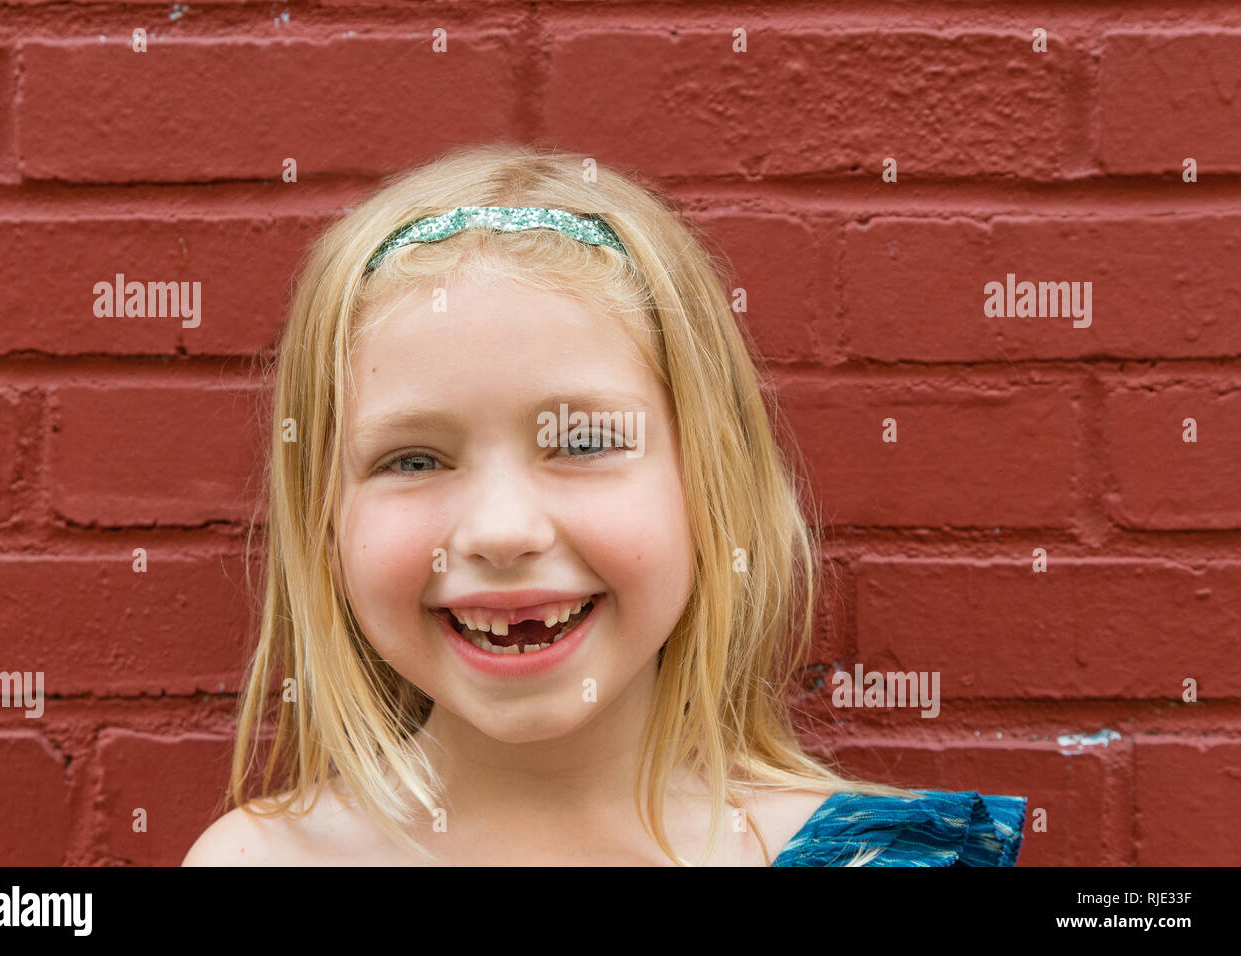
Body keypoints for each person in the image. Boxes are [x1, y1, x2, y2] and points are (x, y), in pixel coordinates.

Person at [183, 143, 1026, 867]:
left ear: (709, 483)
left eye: (583, 443)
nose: (502, 530)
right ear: (324, 521)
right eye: (413, 458)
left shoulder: (884, 856)